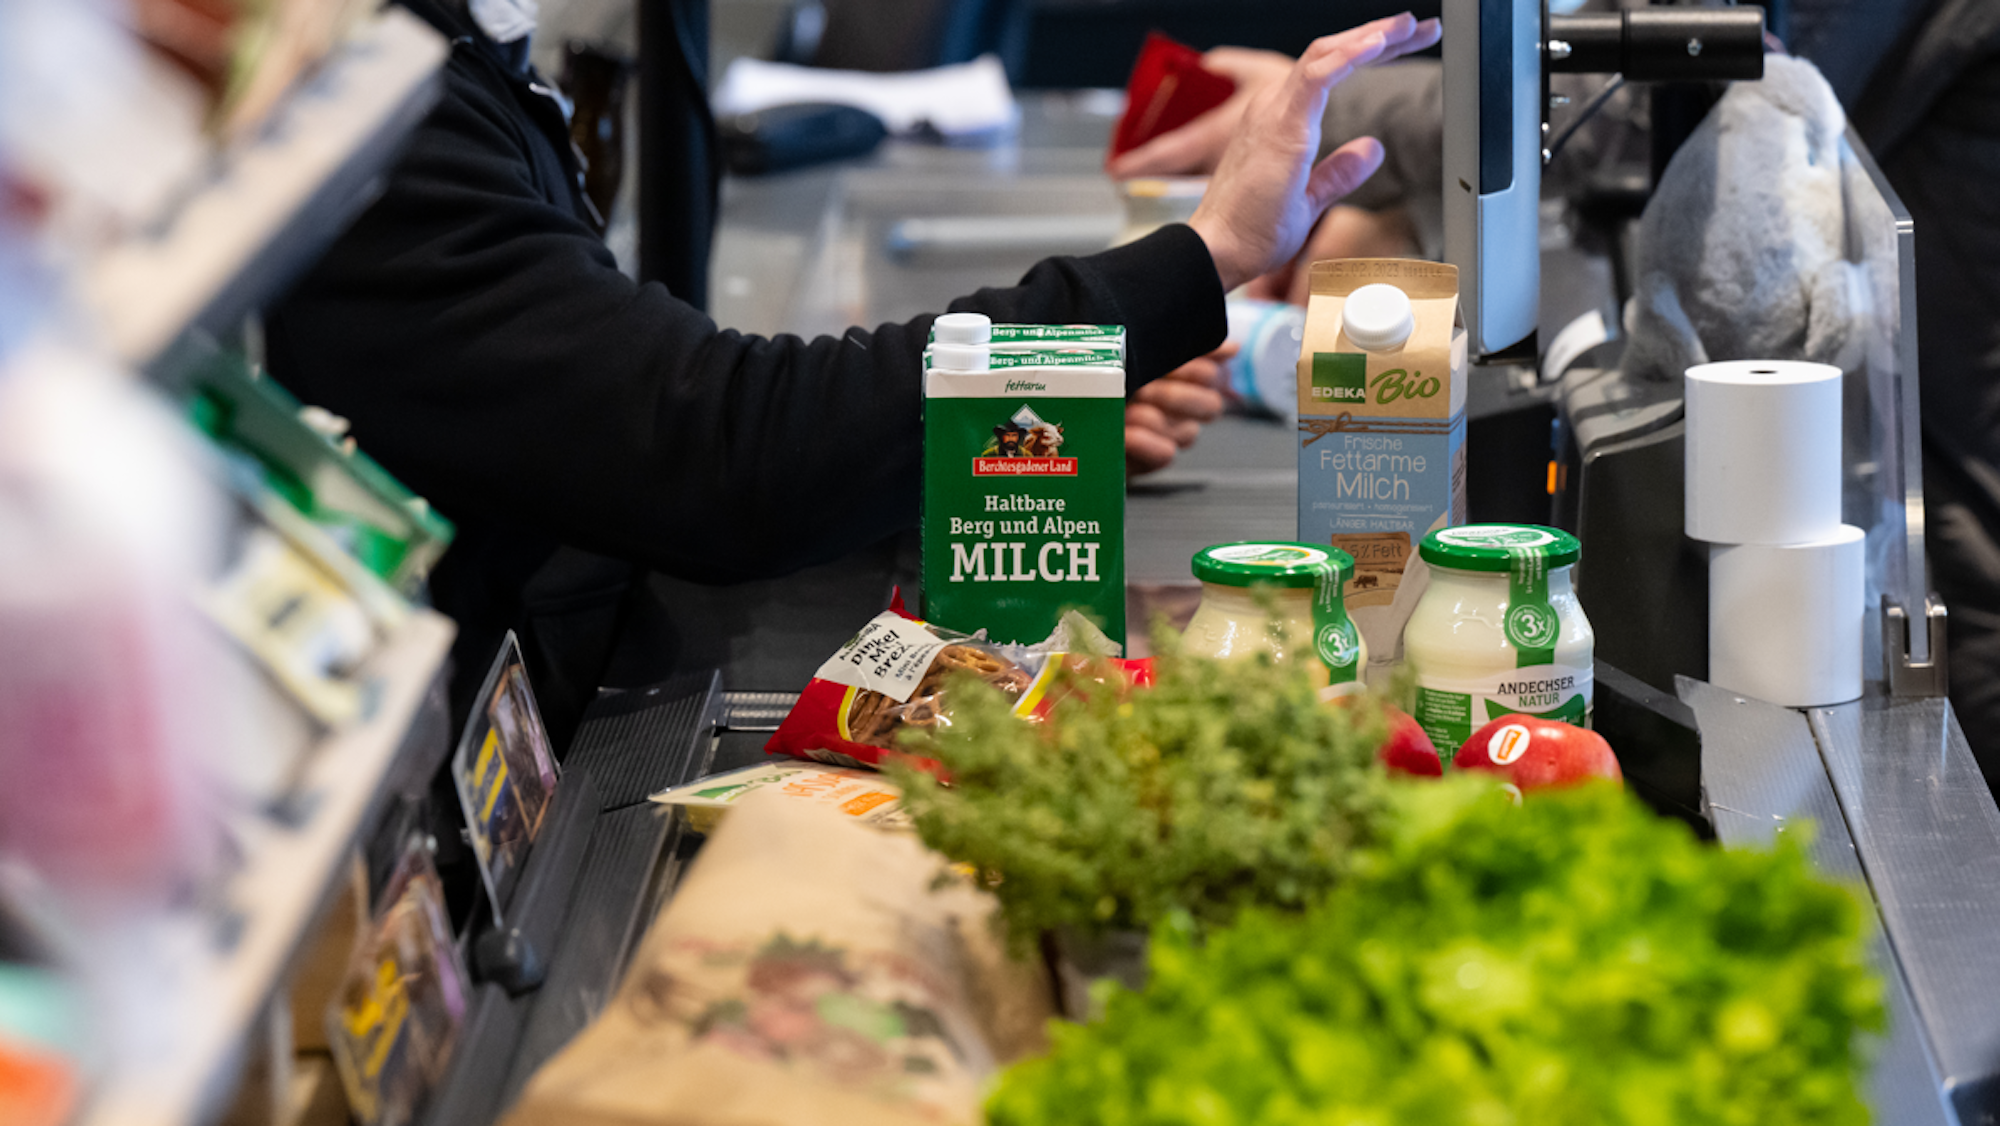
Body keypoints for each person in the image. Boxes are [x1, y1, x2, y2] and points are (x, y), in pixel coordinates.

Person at [265, 0, 1442, 740]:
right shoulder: (378, 105)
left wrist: (1011, 427)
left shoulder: (446, 56)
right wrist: (1206, 252)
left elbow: (634, 408)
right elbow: (715, 449)